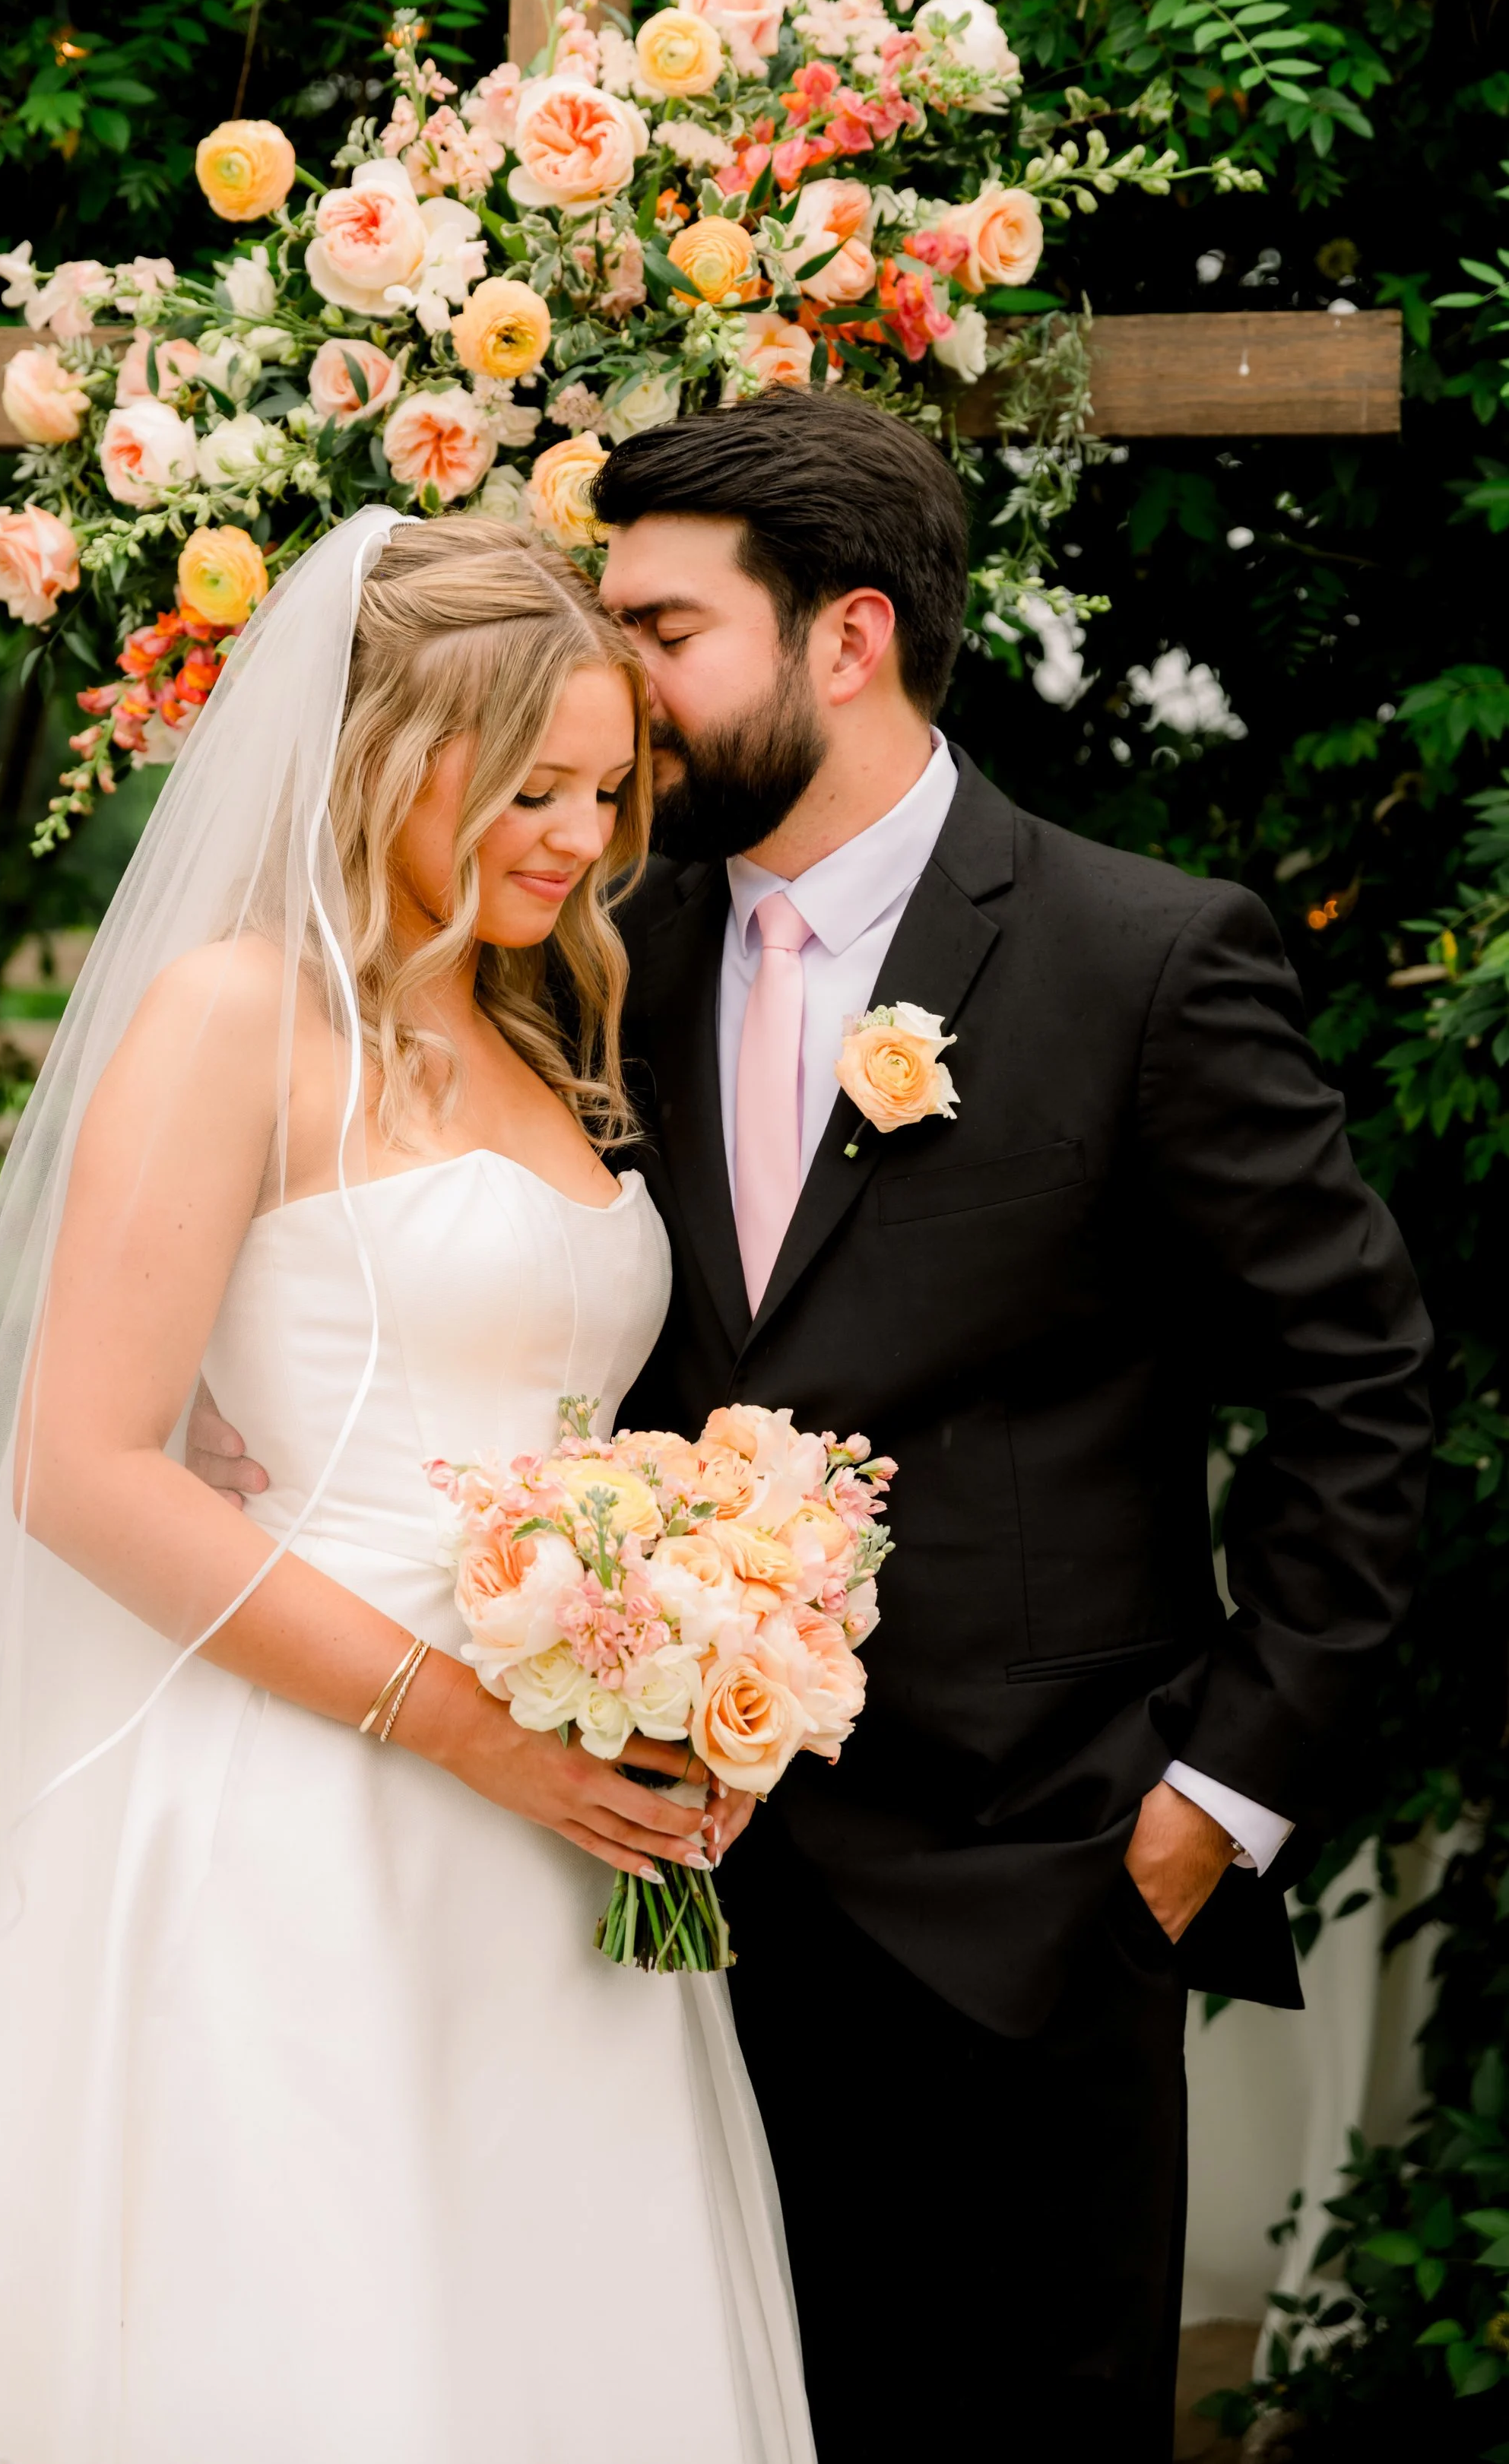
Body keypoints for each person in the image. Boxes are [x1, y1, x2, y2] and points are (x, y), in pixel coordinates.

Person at [0, 514, 814, 2464]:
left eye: (604, 790)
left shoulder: (537, 1025)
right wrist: (463, 1724)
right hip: (302, 1804)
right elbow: (83, 1471)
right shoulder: (234, 1018)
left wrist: (684, 1634)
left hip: (559, 1835)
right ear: (383, 756)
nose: (576, 836)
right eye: (530, 785)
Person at [588, 390, 1433, 2457]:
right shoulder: (603, 955)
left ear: (844, 635)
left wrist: (1207, 1805)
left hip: (1033, 1901)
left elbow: (1358, 1385)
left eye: (661, 631)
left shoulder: (1138, 958)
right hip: (656, 1922)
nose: (617, 693)